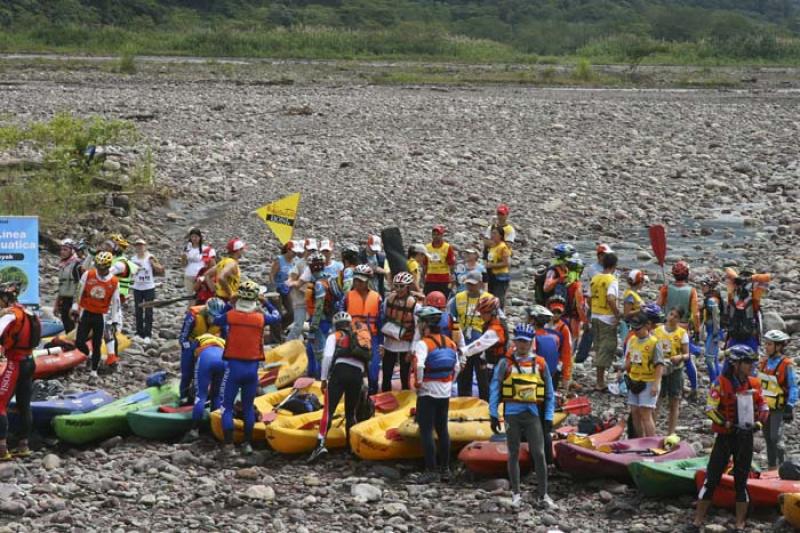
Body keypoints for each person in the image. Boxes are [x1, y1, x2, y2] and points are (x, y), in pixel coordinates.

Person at [689, 345, 768, 533]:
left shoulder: (755, 384)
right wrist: (725, 423)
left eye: (751, 362)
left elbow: (764, 407)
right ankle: (697, 521)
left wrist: (759, 423)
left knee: (742, 481)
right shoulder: (720, 383)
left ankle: (740, 524)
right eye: (747, 362)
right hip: (725, 437)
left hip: (745, 438)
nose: (751, 365)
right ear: (736, 364)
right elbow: (710, 409)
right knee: (712, 478)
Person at [490, 323, 556, 509]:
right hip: (512, 415)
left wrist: (549, 417)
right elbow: (495, 387)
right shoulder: (505, 363)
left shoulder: (540, 364)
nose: (522, 345)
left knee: (539, 453)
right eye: (519, 341)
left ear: (531, 342)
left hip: (532, 414)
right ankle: (516, 493)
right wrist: (493, 414)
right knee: (513, 453)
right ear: (515, 341)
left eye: (526, 342)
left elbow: (550, 393)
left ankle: (543, 494)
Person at [214, 280, 280, 456]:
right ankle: (247, 444)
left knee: (227, 406)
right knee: (249, 406)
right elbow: (277, 315)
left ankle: (229, 446)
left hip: (234, 367)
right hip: (252, 368)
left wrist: (229, 303)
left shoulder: (231, 316)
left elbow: (216, 318)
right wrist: (265, 301)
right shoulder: (260, 318)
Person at [309, 311, 370, 462]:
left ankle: (320, 445)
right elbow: (366, 361)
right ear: (349, 324)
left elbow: (328, 357)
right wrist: (365, 381)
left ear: (335, 325)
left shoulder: (334, 336)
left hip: (339, 372)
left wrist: (323, 378)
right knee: (351, 413)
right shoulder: (359, 337)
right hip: (357, 374)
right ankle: (351, 448)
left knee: (328, 411)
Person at [412, 306, 460, 483]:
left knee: (426, 430)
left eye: (419, 322)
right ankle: (445, 469)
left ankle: (431, 469)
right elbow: (457, 366)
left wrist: (419, 385)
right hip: (445, 391)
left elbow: (419, 365)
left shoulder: (423, 343)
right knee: (442, 429)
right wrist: (450, 382)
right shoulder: (450, 342)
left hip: (428, 391)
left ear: (425, 324)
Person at [0, 282, 40, 460]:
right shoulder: (28, 312)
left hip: (15, 363)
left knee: (0, 404)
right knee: (24, 404)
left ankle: (2, 449)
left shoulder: (8, 316)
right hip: (30, 361)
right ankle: (24, 445)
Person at [72, 251, 121, 377]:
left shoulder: (114, 281)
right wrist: (75, 307)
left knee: (97, 343)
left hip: (101, 315)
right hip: (87, 312)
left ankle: (94, 371)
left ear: (108, 267)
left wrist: (115, 320)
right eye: (97, 266)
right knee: (79, 341)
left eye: (102, 267)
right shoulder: (89, 274)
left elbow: (116, 302)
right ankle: (88, 355)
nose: (99, 270)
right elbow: (79, 292)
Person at [657, 260, 700, 399]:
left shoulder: (666, 289)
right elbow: (695, 314)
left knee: (664, 356)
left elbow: (658, 306)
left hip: (667, 326)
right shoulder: (691, 291)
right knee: (686, 359)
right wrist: (697, 330)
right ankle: (694, 388)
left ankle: (662, 387)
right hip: (683, 328)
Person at [451, 271, 493, 399]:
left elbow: (497, 322)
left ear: (480, 283)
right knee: (464, 377)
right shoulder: (458, 298)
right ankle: (464, 402)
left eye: (473, 284)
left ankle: (485, 404)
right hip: (465, 345)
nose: (470, 287)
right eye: (468, 284)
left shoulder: (489, 299)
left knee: (483, 378)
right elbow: (450, 317)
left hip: (482, 346)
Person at [758, 329, 797, 469]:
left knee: (776, 438)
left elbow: (793, 386)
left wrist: (790, 406)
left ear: (778, 346)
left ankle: (783, 465)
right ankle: (771, 466)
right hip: (765, 407)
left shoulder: (787, 364)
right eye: (766, 344)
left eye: (769, 344)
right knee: (768, 439)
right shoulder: (763, 363)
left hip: (779, 408)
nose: (766, 347)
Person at [178, 297, 226, 404]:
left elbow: (226, 338)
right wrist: (190, 350)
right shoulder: (193, 316)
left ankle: (212, 394)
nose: (214, 319)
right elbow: (183, 337)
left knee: (214, 371)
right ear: (206, 312)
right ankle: (183, 396)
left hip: (210, 345)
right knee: (187, 373)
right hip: (191, 344)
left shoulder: (223, 319)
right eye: (211, 316)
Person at [624, 312, 664, 438]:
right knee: (635, 412)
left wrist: (656, 384)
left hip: (649, 381)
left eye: (638, 328)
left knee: (645, 413)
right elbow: (629, 359)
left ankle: (651, 441)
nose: (635, 331)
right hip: (634, 380)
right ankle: (639, 440)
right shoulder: (632, 340)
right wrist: (622, 371)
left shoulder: (654, 343)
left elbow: (659, 365)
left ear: (646, 326)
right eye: (633, 328)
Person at [460, 296, 508, 400]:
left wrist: (461, 351)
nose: (481, 316)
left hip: (497, 364)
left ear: (493, 313)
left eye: (484, 313)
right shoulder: (497, 319)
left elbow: (478, 345)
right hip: (492, 360)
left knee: (489, 392)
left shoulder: (495, 330)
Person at [345, 265, 382, 394]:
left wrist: (381, 343)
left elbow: (381, 321)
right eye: (355, 280)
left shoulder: (377, 298)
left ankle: (373, 394)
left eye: (360, 281)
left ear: (368, 281)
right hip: (353, 337)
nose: (357, 283)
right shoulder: (347, 297)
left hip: (373, 337)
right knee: (353, 369)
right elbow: (341, 318)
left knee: (373, 370)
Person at [182, 334, 227, 443]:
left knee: (201, 395)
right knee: (216, 395)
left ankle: (194, 430)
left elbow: (187, 365)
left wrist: (185, 389)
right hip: (224, 360)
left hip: (206, 359)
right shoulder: (223, 341)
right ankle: (214, 428)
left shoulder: (199, 339)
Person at [653, 308, 690, 436]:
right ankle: (652, 431)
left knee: (674, 400)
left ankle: (671, 433)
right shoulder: (657, 331)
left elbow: (687, 354)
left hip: (675, 369)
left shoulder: (682, 333)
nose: (672, 317)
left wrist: (679, 357)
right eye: (671, 314)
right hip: (660, 368)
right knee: (657, 399)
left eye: (675, 316)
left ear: (679, 320)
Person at [380, 272, 419, 391]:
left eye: (401, 286)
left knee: (404, 377)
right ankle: (384, 397)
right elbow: (383, 319)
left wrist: (412, 349)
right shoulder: (389, 300)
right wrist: (381, 343)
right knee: (386, 376)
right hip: (389, 345)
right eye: (396, 286)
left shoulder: (415, 305)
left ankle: (405, 401)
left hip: (405, 346)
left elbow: (417, 328)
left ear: (408, 287)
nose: (398, 289)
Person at [590, 251, 621, 392]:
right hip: (607, 318)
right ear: (614, 266)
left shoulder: (595, 278)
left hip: (595, 315)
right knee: (607, 348)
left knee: (598, 347)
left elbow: (589, 298)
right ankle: (600, 382)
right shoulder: (612, 280)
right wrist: (617, 314)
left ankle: (599, 379)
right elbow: (610, 298)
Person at [725, 266, 772, 351]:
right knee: (751, 360)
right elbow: (768, 277)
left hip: (734, 334)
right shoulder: (756, 290)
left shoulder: (732, 287)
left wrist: (738, 279)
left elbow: (728, 270)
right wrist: (751, 278)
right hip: (750, 334)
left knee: (730, 359)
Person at [307, 253, 336, 379]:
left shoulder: (319, 284)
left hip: (320, 321)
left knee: (319, 352)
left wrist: (313, 327)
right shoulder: (328, 279)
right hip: (327, 319)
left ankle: (320, 378)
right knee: (310, 349)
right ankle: (312, 374)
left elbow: (318, 307)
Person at [131, 238, 164, 344]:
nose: (139, 247)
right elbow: (130, 273)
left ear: (145, 246)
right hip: (137, 287)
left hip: (149, 287)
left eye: (141, 245)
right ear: (135, 247)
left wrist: (153, 264)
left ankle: (148, 334)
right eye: (137, 245)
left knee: (148, 311)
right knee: (138, 311)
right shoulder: (132, 259)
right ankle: (139, 333)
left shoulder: (150, 257)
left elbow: (161, 270)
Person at [269, 240, 302, 336]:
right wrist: (273, 289)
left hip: (287, 289)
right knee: (277, 313)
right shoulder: (279, 260)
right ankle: (276, 337)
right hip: (276, 290)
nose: (295, 254)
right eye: (294, 252)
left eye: (296, 252)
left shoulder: (294, 262)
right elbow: (271, 275)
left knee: (292, 312)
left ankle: (280, 329)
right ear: (288, 250)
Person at [286, 240, 313, 341]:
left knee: (314, 326)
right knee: (298, 326)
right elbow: (290, 280)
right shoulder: (299, 264)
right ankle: (287, 345)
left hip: (313, 301)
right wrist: (299, 286)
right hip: (300, 300)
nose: (311, 252)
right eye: (309, 250)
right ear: (305, 250)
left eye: (313, 250)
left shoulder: (317, 262)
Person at [699, 275, 724, 384]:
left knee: (709, 359)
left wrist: (716, 333)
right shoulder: (710, 298)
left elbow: (716, 316)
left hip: (713, 332)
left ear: (710, 287)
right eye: (701, 285)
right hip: (711, 330)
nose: (702, 288)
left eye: (704, 285)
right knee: (713, 358)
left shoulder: (711, 300)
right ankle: (718, 381)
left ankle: (715, 383)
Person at [546, 296, 574, 392]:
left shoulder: (564, 329)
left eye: (559, 312)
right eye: (553, 312)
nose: (556, 315)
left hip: (555, 365)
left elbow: (567, 352)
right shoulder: (541, 324)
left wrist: (566, 377)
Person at [54, 239, 82, 333]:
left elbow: (80, 286)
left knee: (72, 326)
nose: (62, 252)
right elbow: (62, 286)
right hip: (64, 300)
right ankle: (69, 344)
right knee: (67, 325)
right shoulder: (63, 265)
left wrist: (75, 305)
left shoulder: (77, 265)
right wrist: (57, 304)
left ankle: (74, 345)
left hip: (73, 301)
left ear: (72, 250)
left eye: (65, 249)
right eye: (61, 249)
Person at [424, 225, 456, 299]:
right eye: (434, 234)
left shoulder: (447, 247)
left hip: (443, 279)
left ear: (442, 235)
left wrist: (452, 278)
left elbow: (451, 264)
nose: (436, 236)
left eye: (438, 234)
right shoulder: (427, 247)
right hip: (430, 278)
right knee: (428, 298)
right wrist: (424, 277)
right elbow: (425, 264)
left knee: (443, 299)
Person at [182, 228, 216, 296]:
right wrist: (183, 258)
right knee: (191, 298)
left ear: (200, 237)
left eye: (196, 236)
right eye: (192, 237)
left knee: (201, 297)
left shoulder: (206, 249)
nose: (194, 238)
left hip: (201, 276)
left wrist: (206, 277)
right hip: (189, 276)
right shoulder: (187, 249)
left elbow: (213, 265)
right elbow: (184, 264)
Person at [485, 226, 512, 309]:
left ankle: (499, 316)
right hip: (491, 276)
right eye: (492, 233)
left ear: (500, 235)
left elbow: (506, 263)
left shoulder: (503, 247)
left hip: (501, 277)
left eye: (495, 233)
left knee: (498, 298)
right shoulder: (492, 247)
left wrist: (492, 265)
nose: (492, 235)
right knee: (491, 297)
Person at [620, 269, 646, 341]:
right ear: (639, 282)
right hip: (631, 327)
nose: (643, 283)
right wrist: (640, 310)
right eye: (642, 281)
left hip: (636, 326)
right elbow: (626, 314)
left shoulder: (633, 293)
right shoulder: (630, 295)